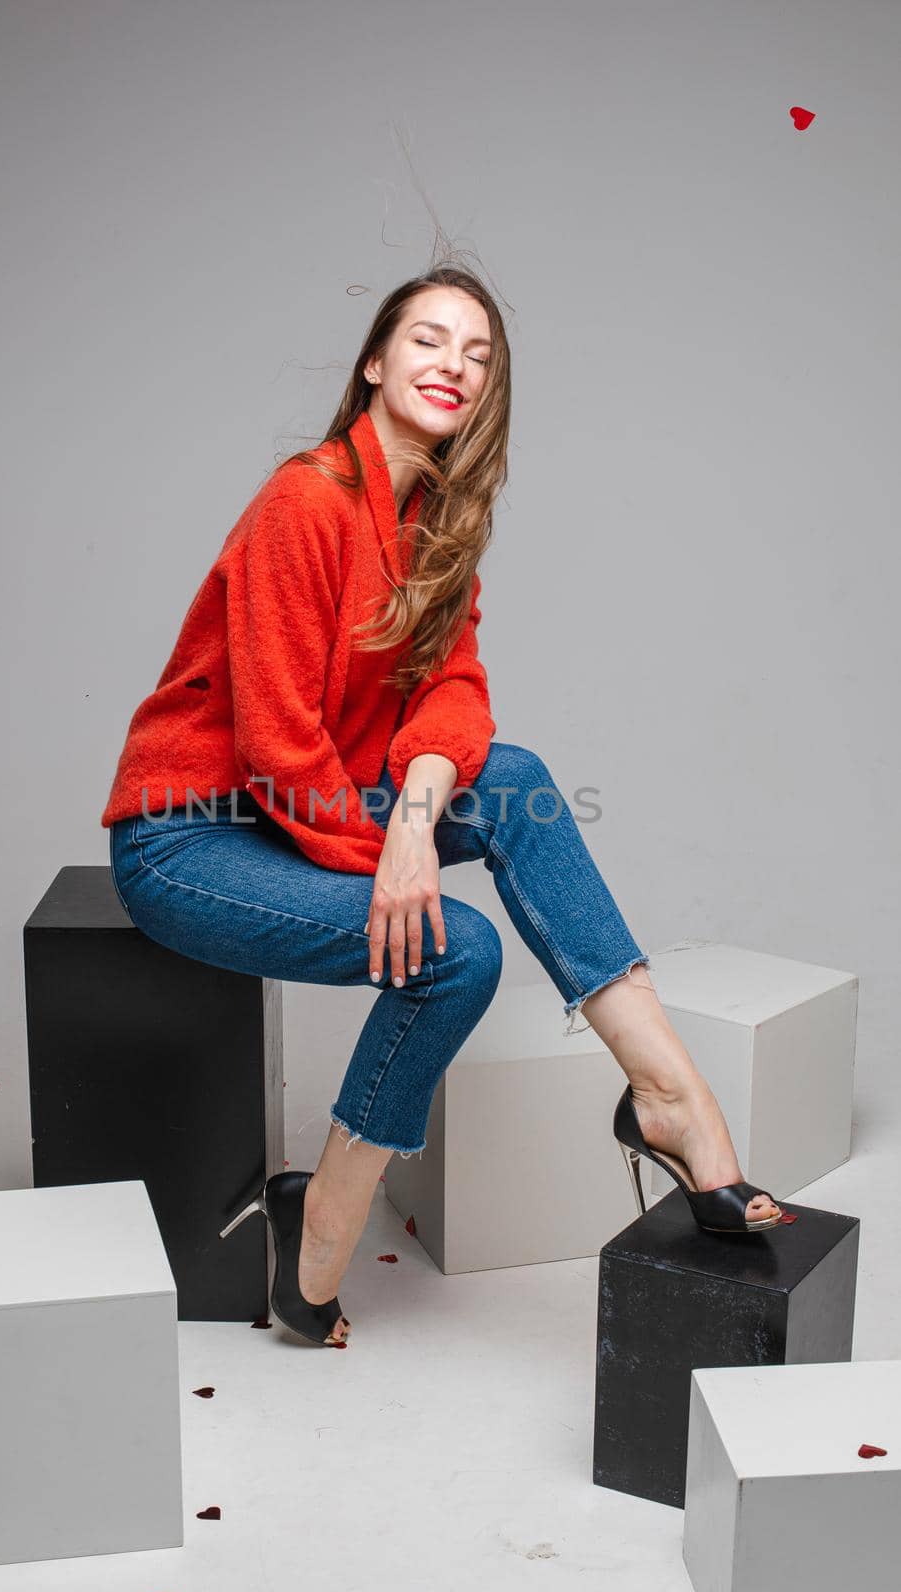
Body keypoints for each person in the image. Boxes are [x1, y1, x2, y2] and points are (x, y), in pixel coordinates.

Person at [103, 265, 782, 1348]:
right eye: (427, 341)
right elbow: (276, 742)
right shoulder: (304, 498)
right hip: (194, 834)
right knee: (455, 949)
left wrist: (413, 821)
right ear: (374, 362)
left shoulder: (434, 524)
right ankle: (324, 1216)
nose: (451, 367)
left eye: (476, 355)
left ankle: (667, 1095)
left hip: (315, 808)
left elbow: (455, 695)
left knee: (511, 776)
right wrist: (389, 854)